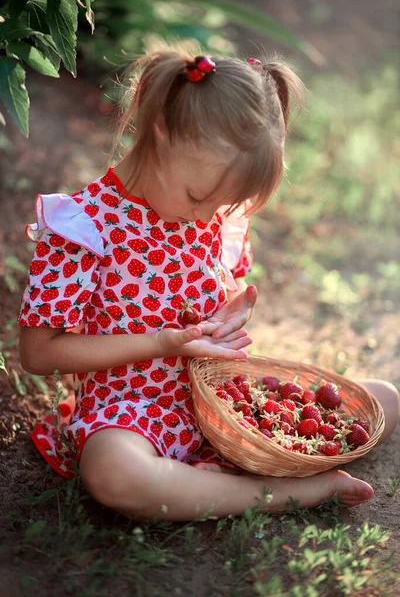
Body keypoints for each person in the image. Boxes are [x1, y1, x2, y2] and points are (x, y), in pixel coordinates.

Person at [18, 45, 399, 522]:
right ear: (161, 134)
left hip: (218, 405)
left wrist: (227, 316)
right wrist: (159, 343)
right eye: (198, 197)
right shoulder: (84, 229)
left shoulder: (212, 217)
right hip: (131, 413)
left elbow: (208, 302)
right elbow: (38, 354)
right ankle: (290, 491)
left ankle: (218, 478)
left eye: (220, 203)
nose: (204, 216)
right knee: (114, 472)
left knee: (382, 399)